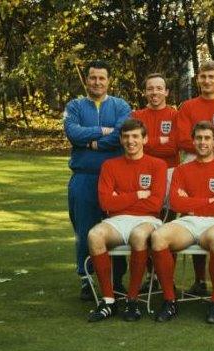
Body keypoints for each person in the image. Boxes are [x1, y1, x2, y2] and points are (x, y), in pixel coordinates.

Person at [150, 121, 214, 323]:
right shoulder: (181, 169)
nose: (203, 142)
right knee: (158, 236)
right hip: (188, 222)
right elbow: (176, 202)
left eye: (207, 138)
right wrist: (208, 201)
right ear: (193, 141)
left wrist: (191, 202)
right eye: (198, 138)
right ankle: (170, 300)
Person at [86, 119, 167, 322]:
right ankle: (108, 301)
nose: (131, 141)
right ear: (121, 140)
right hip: (117, 220)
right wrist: (138, 194)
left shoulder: (157, 165)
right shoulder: (110, 165)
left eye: (135, 136)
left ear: (144, 139)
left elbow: (155, 205)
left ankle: (133, 299)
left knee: (139, 235)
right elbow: (105, 202)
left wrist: (119, 198)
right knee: (94, 235)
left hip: (148, 220)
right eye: (126, 137)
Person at [64, 59, 131, 301]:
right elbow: (73, 133)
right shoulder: (75, 106)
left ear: (108, 80)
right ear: (87, 80)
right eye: (93, 77)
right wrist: (103, 131)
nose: (97, 82)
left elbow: (121, 135)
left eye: (102, 78)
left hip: (116, 180)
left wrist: (92, 141)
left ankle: (116, 279)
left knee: (116, 229)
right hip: (85, 178)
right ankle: (87, 279)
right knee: (85, 230)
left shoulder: (121, 105)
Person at [175, 60, 214, 295]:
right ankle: (199, 280)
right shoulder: (188, 106)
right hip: (191, 163)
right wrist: (211, 148)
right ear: (197, 79)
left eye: (212, 76)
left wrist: (212, 150)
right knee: (191, 217)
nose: (207, 81)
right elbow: (181, 139)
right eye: (203, 76)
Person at [132, 73, 179, 221]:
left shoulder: (175, 115)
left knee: (166, 220)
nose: (154, 92)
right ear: (145, 92)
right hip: (142, 172)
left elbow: (172, 148)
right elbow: (132, 145)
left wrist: (146, 143)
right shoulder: (136, 116)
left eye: (159, 88)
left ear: (166, 92)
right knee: (144, 217)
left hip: (169, 171)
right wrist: (160, 139)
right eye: (150, 88)